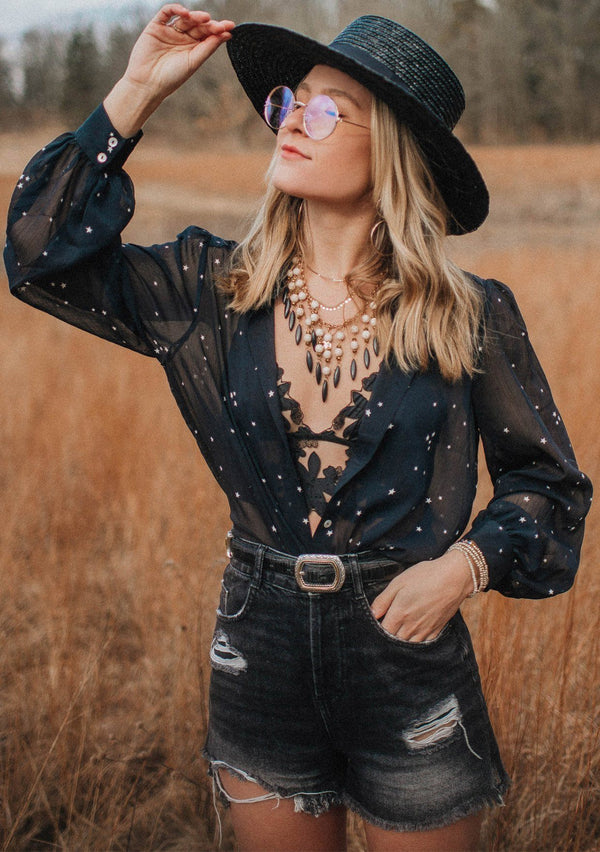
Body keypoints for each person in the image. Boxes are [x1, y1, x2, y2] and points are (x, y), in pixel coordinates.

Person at [5, 5, 592, 851]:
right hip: (259, 643)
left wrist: (463, 568)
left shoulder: (468, 315)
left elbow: (551, 483)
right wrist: (137, 91)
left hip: (406, 649)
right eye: (289, 102)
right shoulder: (211, 289)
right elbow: (37, 251)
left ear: (390, 150)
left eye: (327, 110)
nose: (290, 123)